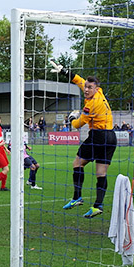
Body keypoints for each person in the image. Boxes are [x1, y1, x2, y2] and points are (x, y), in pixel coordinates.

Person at [50, 59, 117, 218]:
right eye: (86, 86)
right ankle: (97, 206)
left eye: (89, 87)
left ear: (96, 88)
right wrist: (64, 71)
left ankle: (77, 198)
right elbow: (79, 80)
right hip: (111, 137)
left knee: (77, 163)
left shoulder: (91, 104)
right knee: (101, 172)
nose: (86, 89)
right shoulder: (99, 92)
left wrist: (72, 118)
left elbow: (79, 124)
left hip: (98, 136)